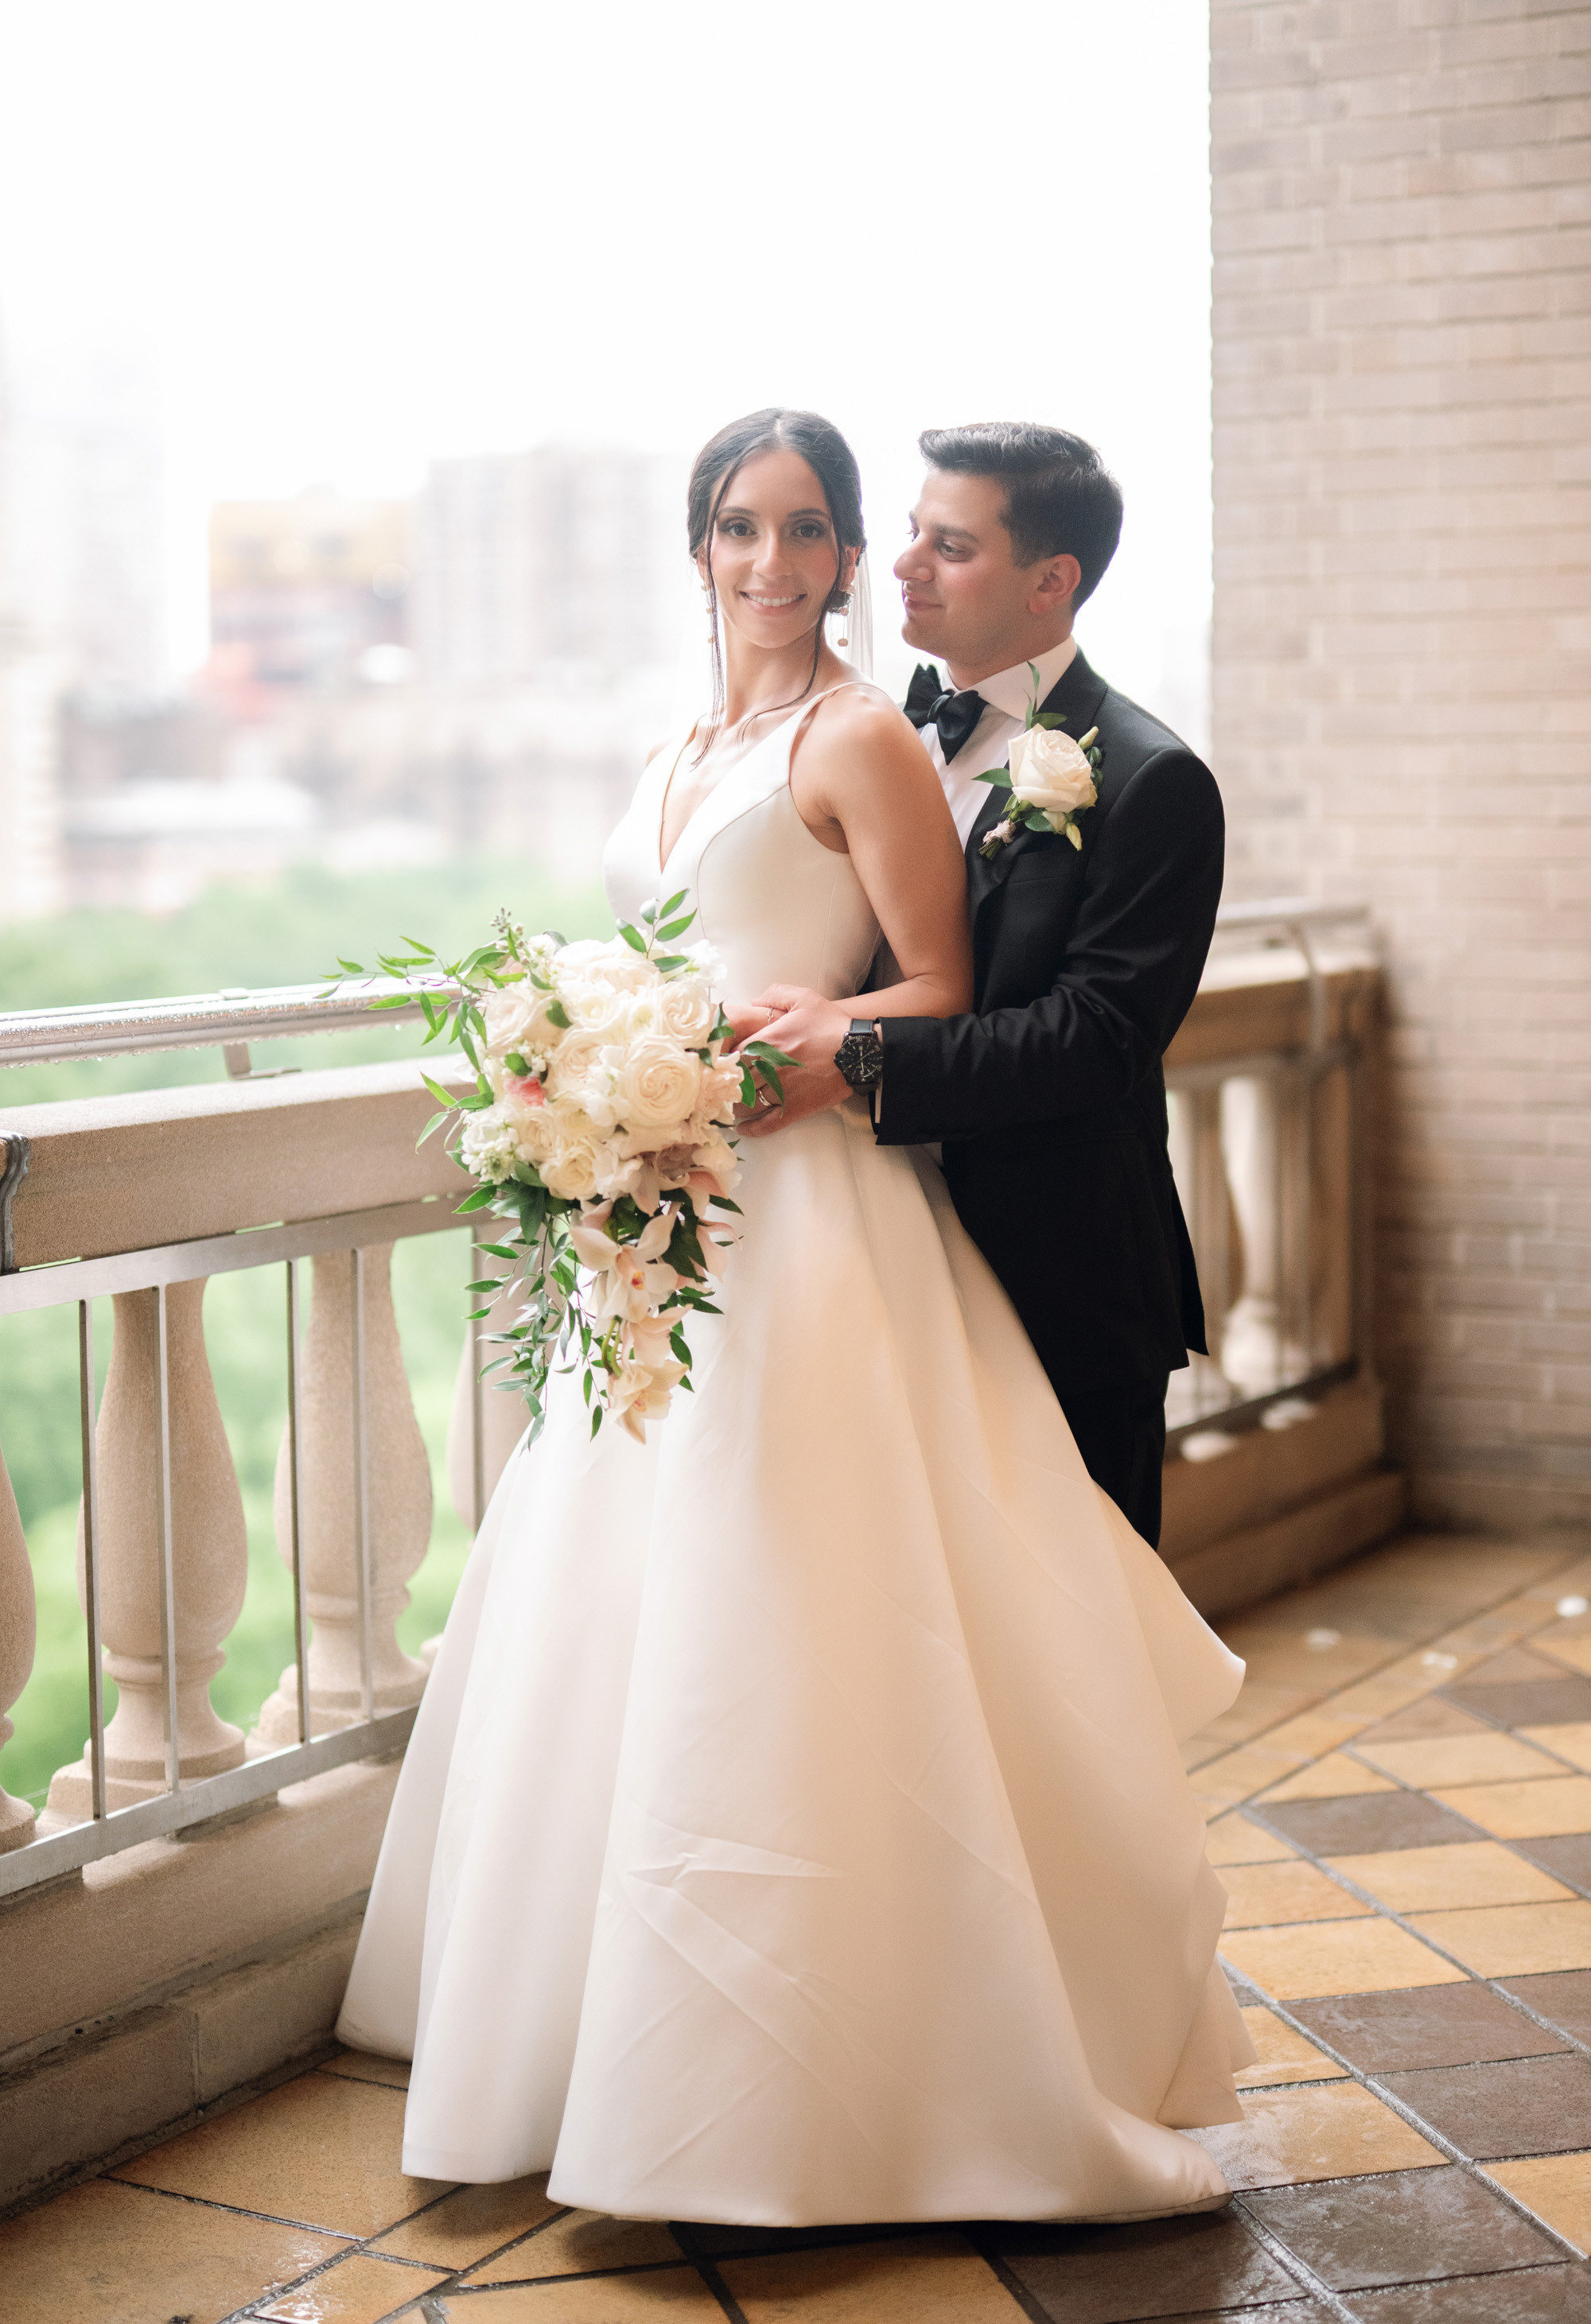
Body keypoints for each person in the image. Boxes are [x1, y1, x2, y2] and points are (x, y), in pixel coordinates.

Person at [336, 407, 1252, 2226]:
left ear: (1042, 576)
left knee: (984, 1654)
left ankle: (996, 2028)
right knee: (674, 1622)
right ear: (700, 549)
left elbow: (1034, 1021)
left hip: (980, 1247)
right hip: (692, 1235)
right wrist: (589, 1061)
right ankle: (599, 2029)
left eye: (868, 536)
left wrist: (819, 1062)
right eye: (766, 530)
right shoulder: (800, 729)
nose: (842, 565)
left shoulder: (1125, 775)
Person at [741, 423, 1223, 1553]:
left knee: (1083, 1634)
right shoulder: (876, 737)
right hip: (873, 1258)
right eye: (909, 531)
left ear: (1052, 581)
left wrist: (856, 1058)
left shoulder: (1151, 779)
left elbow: (1096, 1037)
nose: (900, 562)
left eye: (949, 545)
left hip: (1059, 1274)